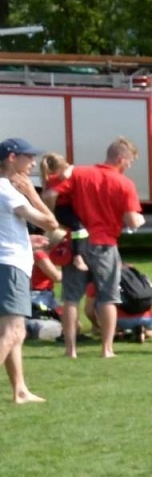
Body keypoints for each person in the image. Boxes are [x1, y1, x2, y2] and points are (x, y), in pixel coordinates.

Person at [57, 136, 145, 359]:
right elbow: (132, 220)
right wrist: (140, 220)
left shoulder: (80, 174)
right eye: (129, 162)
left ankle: (70, 350)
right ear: (121, 158)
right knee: (108, 297)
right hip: (105, 244)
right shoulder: (124, 183)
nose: (129, 167)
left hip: (77, 241)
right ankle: (107, 348)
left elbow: (55, 194)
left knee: (71, 297)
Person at [1, 137, 59, 404]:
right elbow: (50, 222)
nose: (33, 163)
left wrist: (27, 240)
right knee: (12, 332)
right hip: (10, 266)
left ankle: (20, 390)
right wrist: (32, 193)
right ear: (12, 158)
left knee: (16, 331)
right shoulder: (8, 190)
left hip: (9, 261)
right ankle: (20, 390)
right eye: (29, 157)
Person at [38, 152, 88, 271]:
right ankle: (78, 256)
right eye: (64, 165)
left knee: (76, 230)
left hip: (63, 209)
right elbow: (66, 175)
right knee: (79, 228)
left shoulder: (50, 178)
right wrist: (70, 167)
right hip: (62, 210)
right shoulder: (57, 179)